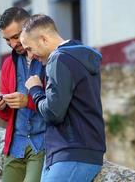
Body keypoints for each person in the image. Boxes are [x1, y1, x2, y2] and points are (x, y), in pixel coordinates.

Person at [21, 14, 106, 182]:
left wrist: (35, 90)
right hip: (75, 152)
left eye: (29, 49)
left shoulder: (59, 58)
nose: (30, 56)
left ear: (43, 39)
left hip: (72, 154)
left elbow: (53, 113)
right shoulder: (76, 55)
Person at [0, 7, 46, 182]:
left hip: (43, 144)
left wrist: (27, 101)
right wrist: (2, 106)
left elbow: (58, 106)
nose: (13, 44)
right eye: (7, 40)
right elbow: (7, 117)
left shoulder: (48, 59)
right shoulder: (7, 65)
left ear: (29, 27)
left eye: (16, 37)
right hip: (15, 145)